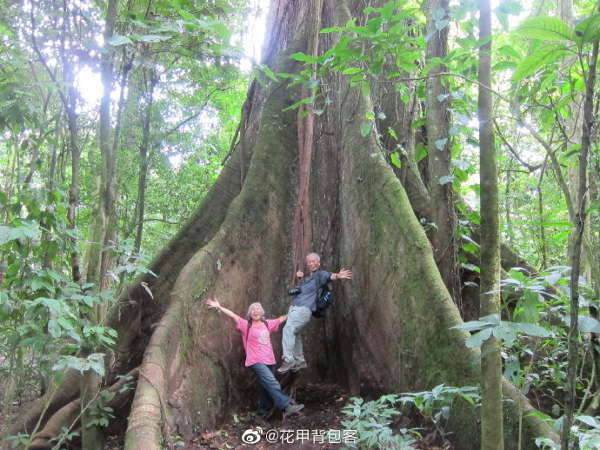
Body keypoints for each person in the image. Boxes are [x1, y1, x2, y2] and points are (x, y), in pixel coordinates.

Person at [205, 298, 304, 416]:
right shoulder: (246, 325)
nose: (255, 311)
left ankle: (263, 411)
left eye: (258, 309)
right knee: (272, 383)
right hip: (255, 360)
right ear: (250, 314)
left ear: (262, 312)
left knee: (265, 386)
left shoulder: (267, 323)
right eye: (253, 310)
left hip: (270, 360)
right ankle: (286, 405)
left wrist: (294, 313)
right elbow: (233, 315)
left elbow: (281, 319)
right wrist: (219, 307)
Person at [278, 253, 352, 374]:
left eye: (314, 261)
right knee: (295, 333)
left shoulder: (320, 275)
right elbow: (298, 291)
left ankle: (288, 359)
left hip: (303, 309)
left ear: (318, 263)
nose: (311, 264)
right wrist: (299, 279)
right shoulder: (307, 279)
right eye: (309, 262)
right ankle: (300, 361)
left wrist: (338, 275)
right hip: (295, 308)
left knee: (288, 329)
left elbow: (330, 276)